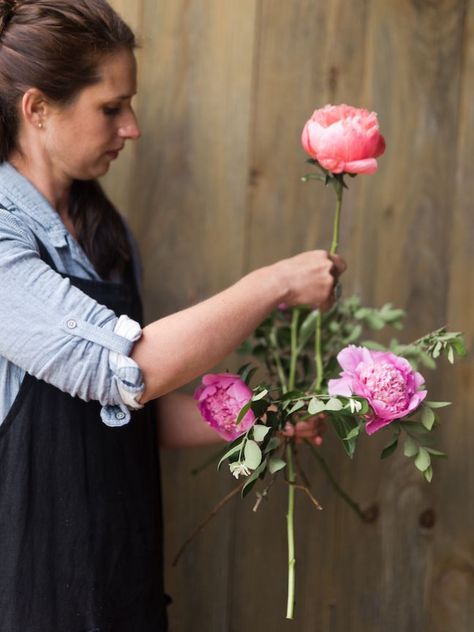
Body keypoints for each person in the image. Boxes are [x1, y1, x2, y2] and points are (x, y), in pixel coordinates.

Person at [0, 1, 346, 630]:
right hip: (30, 592)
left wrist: (262, 418)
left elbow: (131, 413)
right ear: (37, 109)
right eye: (111, 107)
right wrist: (273, 283)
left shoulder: (104, 232)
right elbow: (129, 368)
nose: (131, 127)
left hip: (122, 581)